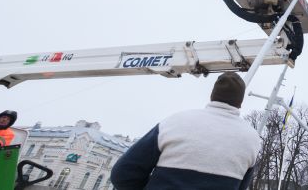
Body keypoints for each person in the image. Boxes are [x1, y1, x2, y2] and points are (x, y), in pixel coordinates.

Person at [111, 72, 261, 189]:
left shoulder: (175, 122)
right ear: (240, 102)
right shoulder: (251, 140)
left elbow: (122, 174)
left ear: (212, 95)